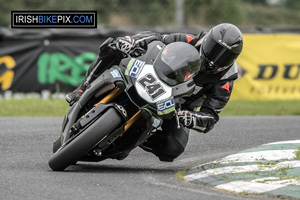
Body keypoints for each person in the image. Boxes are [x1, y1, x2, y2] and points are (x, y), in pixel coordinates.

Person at [65, 23, 243, 162]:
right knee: (113, 45)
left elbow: (210, 117)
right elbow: (156, 38)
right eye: (213, 48)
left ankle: (135, 139)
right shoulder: (188, 40)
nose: (214, 57)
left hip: (178, 105)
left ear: (233, 59)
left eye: (223, 55)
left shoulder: (225, 80)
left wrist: (191, 118)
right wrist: (133, 42)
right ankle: (82, 89)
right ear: (207, 40)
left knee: (172, 149)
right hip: (154, 75)